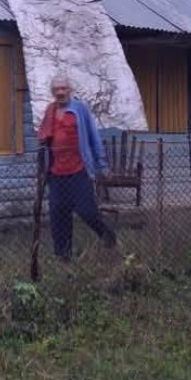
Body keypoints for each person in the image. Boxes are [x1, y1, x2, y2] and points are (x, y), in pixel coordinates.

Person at [35, 75, 118, 261]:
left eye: (63, 88)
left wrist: (101, 165)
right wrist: (42, 169)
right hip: (56, 174)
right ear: (52, 92)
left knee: (86, 210)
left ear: (70, 90)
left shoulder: (80, 109)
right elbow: (43, 140)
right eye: (56, 89)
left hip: (79, 170)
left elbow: (93, 137)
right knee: (59, 215)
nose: (60, 92)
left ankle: (107, 234)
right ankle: (63, 257)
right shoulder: (50, 111)